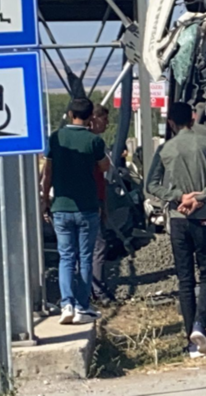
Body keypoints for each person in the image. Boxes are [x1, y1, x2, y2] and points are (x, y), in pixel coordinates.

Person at [146, 102, 206, 358]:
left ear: (171, 122)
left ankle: (191, 341)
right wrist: (201, 196)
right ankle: (200, 325)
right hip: (205, 217)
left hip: (179, 218)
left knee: (185, 278)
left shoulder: (166, 149)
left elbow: (151, 185)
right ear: (192, 120)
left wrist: (179, 196)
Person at [42, 98, 110, 324]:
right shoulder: (93, 141)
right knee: (85, 257)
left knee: (66, 257)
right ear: (91, 116)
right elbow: (104, 167)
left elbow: (47, 173)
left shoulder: (55, 138)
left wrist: (45, 199)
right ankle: (82, 306)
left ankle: (66, 303)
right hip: (88, 207)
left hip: (61, 206)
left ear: (70, 113)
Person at [89, 104, 115, 304]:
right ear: (95, 118)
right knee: (98, 245)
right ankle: (98, 291)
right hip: (91, 201)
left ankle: (86, 289)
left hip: (89, 200)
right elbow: (103, 167)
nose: (107, 124)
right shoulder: (93, 143)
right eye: (104, 119)